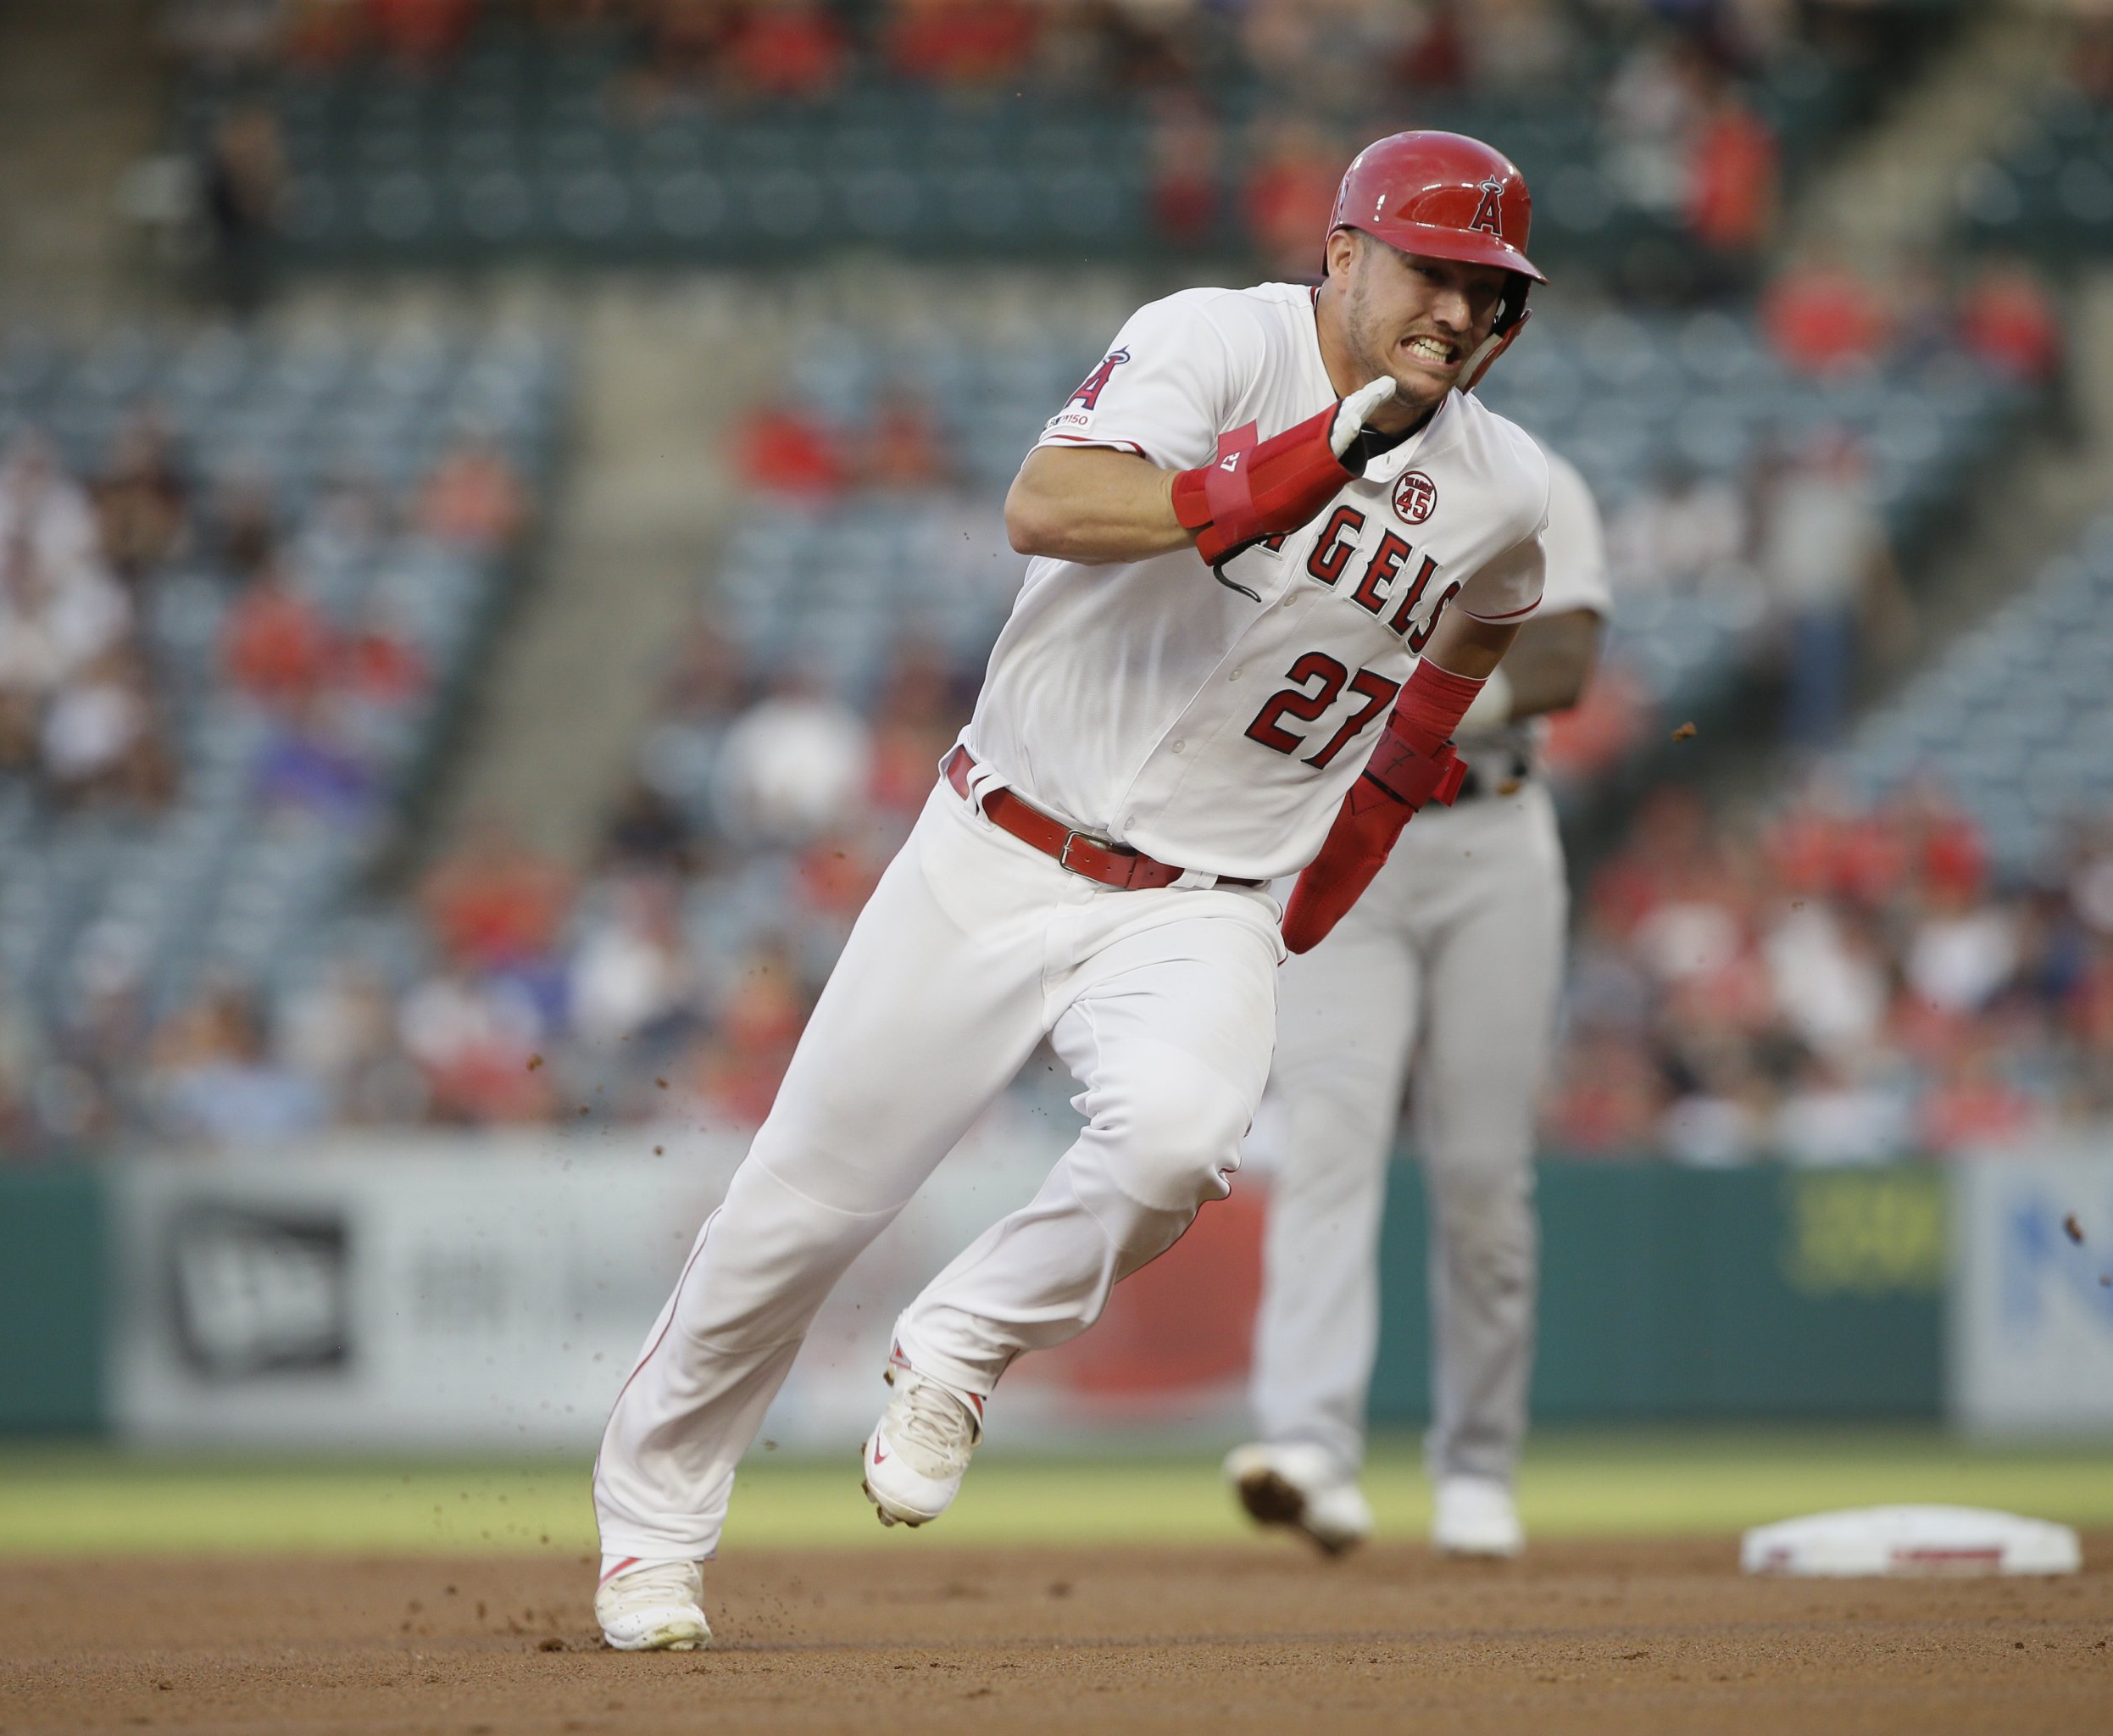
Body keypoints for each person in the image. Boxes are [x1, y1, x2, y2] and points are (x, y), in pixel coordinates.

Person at [591, 131, 1558, 1652]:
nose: (1457, 311)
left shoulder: (1502, 490)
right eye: (1433, 270)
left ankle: (960, 1347)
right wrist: (1316, 454)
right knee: (792, 1220)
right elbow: (1045, 505)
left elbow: (1466, 663)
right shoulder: (1214, 340)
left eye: (1488, 290)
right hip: (999, 843)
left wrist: (1351, 850)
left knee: (1180, 1142)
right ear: (1347, 253)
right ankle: (651, 1534)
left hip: (1204, 894)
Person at [1226, 443, 1610, 1559]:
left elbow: (1564, 661)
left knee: (1484, 1173)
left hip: (1490, 832)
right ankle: (1308, 1448)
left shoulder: (1533, 479)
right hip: (1349, 843)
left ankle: (1480, 1467)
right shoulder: (1318, 469)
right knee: (1327, 1149)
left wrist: (1407, 703)